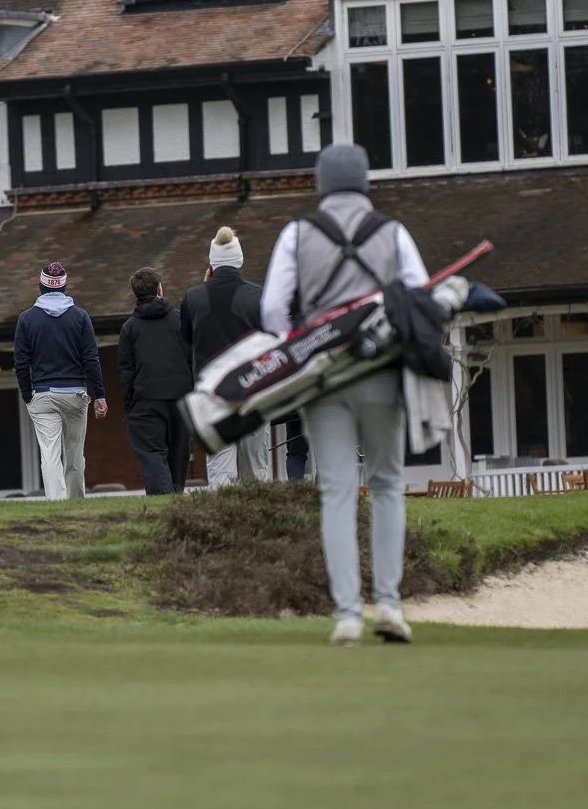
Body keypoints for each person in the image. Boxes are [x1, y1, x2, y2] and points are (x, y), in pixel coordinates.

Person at [260, 143, 430, 648]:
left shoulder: (296, 233)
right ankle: (391, 606)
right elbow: (419, 295)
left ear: (320, 184)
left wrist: (301, 346)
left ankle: (348, 614)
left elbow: (272, 308)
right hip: (381, 372)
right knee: (385, 483)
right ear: (365, 183)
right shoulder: (393, 232)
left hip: (325, 377)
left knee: (335, 489)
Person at [180, 226, 269, 486]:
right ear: (239, 260)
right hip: (253, 389)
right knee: (257, 471)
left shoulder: (193, 298)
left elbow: (187, 341)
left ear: (212, 262)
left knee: (220, 472)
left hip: (213, 392)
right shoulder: (258, 296)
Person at [14, 261, 106, 499]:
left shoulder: (26, 319)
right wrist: (100, 395)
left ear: (40, 286)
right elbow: (91, 359)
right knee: (74, 453)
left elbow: (21, 363)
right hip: (75, 393)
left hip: (42, 394)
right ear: (64, 287)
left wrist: (27, 395)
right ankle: (76, 502)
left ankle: (56, 503)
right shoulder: (80, 317)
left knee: (49, 454)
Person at [118, 267, 193, 495]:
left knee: (152, 454)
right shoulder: (180, 320)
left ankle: (162, 500)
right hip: (181, 398)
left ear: (136, 294)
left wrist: (129, 402)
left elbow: (126, 370)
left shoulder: (130, 328)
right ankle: (176, 499)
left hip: (146, 400)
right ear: (160, 289)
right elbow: (193, 358)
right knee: (179, 454)